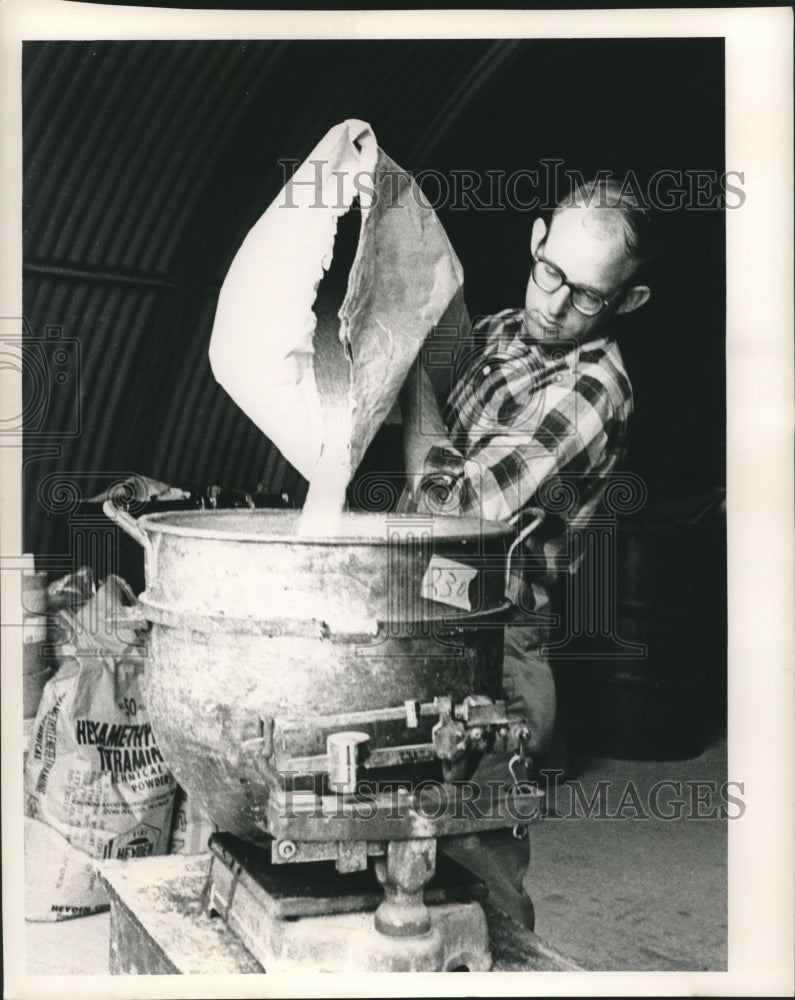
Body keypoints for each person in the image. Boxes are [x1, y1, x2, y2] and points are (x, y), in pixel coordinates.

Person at [399, 177, 655, 926]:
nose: (554, 304)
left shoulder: (594, 386)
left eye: (587, 296)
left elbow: (459, 508)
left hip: (494, 639)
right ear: (536, 238)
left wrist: (419, 386)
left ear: (626, 304)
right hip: (428, 605)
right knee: (407, 838)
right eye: (551, 273)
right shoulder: (501, 330)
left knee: (480, 857)